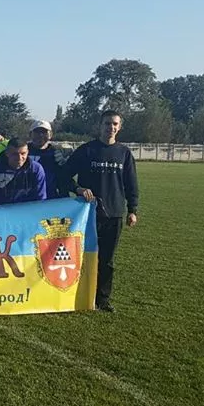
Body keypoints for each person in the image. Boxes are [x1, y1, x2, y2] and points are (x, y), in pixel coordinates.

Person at [63, 110, 139, 313]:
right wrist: (78, 189)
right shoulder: (86, 150)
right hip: (87, 216)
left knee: (107, 260)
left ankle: (103, 300)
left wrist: (132, 210)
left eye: (114, 124)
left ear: (119, 127)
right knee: (83, 257)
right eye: (107, 123)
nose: (110, 127)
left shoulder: (124, 153)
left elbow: (131, 184)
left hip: (114, 214)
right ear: (100, 125)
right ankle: (78, 295)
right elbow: (63, 176)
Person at [0, 138, 46, 205]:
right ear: (7, 153)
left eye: (23, 153)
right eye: (15, 154)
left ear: (28, 152)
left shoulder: (36, 169)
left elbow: (40, 199)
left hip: (27, 209)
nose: (19, 158)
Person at [27, 120, 70, 199]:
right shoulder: (21, 151)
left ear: (51, 134)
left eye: (44, 132)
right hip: (24, 200)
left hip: (49, 200)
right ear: (30, 134)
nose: (40, 135)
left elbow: (63, 178)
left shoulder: (56, 153)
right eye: (37, 132)